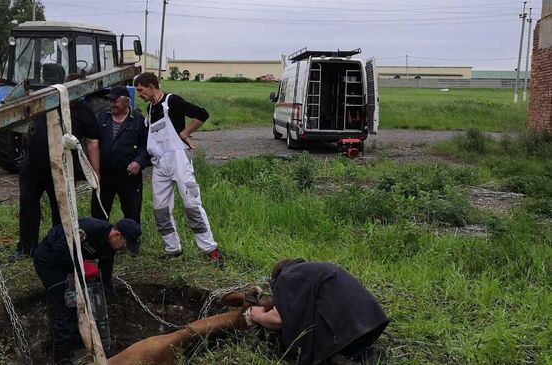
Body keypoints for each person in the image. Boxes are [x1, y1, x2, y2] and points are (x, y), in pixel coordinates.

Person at [133, 72, 224, 268]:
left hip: (179, 161)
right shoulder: (149, 109)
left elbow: (202, 114)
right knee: (160, 209)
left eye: (140, 90)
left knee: (192, 206)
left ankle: (211, 251)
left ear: (151, 86)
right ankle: (173, 249)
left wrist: (185, 133)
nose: (139, 95)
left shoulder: (171, 101)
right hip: (160, 164)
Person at [11, 73, 100, 261]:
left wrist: (95, 172)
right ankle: (26, 247)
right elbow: (25, 123)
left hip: (62, 169)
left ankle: (58, 245)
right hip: (33, 166)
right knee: (28, 204)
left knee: (62, 209)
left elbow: (92, 142)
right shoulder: (46, 102)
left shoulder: (85, 112)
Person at [33, 217, 141, 365]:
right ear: (117, 235)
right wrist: (79, 270)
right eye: (125, 244)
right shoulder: (89, 229)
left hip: (67, 264)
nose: (124, 248)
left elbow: (106, 267)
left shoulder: (110, 245)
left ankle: (78, 343)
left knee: (80, 305)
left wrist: (106, 293)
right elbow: (60, 248)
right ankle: (61, 359)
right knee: (66, 308)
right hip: (49, 261)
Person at [249, 259, 389, 365]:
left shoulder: (286, 278)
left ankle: (337, 360)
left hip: (346, 329)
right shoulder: (314, 272)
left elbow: (278, 319)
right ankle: (362, 354)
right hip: (370, 321)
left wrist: (257, 314)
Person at [91, 86, 148, 231]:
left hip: (128, 177)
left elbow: (146, 146)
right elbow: (92, 142)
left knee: (132, 212)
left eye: (115, 101)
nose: (111, 104)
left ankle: (132, 243)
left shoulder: (138, 121)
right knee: (99, 213)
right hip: (104, 175)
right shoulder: (102, 116)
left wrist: (138, 162)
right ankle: (100, 242)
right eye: (110, 100)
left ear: (126, 102)